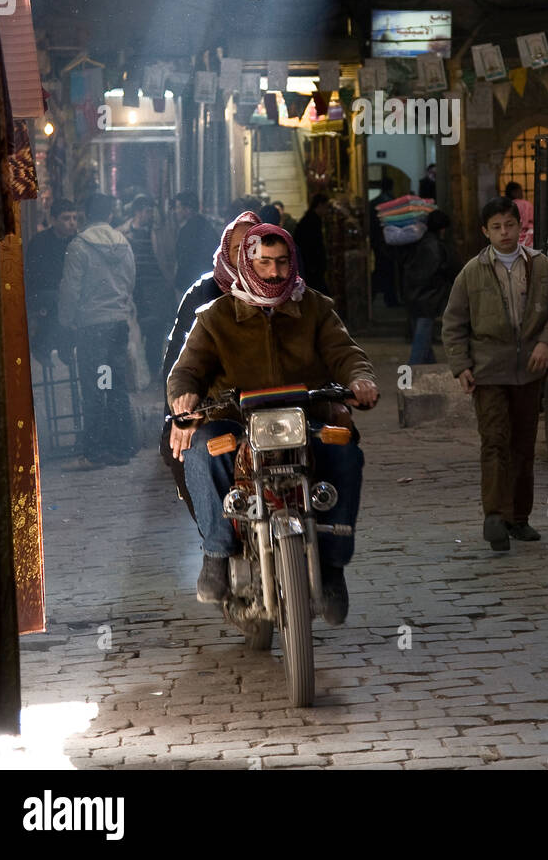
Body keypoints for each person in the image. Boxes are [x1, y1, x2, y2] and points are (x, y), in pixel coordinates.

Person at [166, 222, 379, 623]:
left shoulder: (315, 307)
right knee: (201, 453)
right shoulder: (215, 316)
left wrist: (360, 379)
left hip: (304, 418)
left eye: (282, 263)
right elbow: (186, 369)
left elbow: (345, 352)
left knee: (344, 451)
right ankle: (216, 552)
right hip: (234, 422)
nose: (275, 273)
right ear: (247, 262)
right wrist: (185, 397)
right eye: (264, 263)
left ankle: (332, 568)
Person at [442, 196, 548, 552]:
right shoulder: (472, 272)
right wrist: (462, 366)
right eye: (496, 227)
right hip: (489, 371)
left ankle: (519, 517)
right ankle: (495, 517)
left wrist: (546, 343)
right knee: (495, 441)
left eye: (510, 225)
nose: (504, 233)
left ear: (520, 227)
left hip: (530, 372)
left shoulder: (541, 267)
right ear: (485, 232)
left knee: (523, 446)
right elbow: (453, 323)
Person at [159, 209, 261, 520]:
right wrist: (187, 407)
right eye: (236, 250)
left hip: (277, 405)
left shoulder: (288, 290)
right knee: (182, 445)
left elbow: (331, 348)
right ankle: (214, 540)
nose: (245, 258)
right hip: (217, 407)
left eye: (253, 249)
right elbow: (179, 365)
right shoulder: (204, 295)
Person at [58, 193, 137, 468]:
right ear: (110, 215)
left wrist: (66, 321)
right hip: (117, 325)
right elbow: (130, 282)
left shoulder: (78, 246)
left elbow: (70, 289)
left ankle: (96, 450)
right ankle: (122, 447)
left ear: (84, 214)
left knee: (95, 387)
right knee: (115, 384)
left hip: (92, 328)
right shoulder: (124, 244)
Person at [25, 198, 78, 363]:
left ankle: (63, 345)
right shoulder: (39, 241)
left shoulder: (77, 242)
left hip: (66, 293)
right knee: (58, 302)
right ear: (53, 220)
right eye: (66, 218)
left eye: (74, 218)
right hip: (43, 293)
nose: (71, 223)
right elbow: (35, 276)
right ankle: (54, 346)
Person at [122, 194, 169, 376]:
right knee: (136, 330)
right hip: (135, 289)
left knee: (155, 331)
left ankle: (153, 368)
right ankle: (138, 373)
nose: (151, 215)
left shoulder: (158, 231)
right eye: (148, 211)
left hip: (155, 287)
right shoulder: (124, 232)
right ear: (138, 212)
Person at [402, 209, 453, 364]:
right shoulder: (434, 246)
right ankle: (410, 379)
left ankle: (431, 369)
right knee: (421, 343)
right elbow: (431, 273)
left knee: (423, 339)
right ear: (442, 228)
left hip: (415, 296)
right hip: (427, 298)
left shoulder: (422, 242)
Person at [173, 190, 221, 297]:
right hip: (205, 282)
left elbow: (183, 258)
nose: (176, 211)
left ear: (187, 209)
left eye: (178, 207)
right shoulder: (207, 227)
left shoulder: (187, 231)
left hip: (189, 283)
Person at [369, 177, 398, 308]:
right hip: (389, 242)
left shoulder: (373, 202)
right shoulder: (392, 202)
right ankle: (390, 298)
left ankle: (373, 295)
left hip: (378, 241)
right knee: (389, 271)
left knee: (380, 269)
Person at [293, 192, 330, 293]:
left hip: (311, 266)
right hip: (311, 267)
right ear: (320, 205)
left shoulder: (311, 220)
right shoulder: (311, 222)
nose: (327, 211)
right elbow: (312, 246)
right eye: (326, 207)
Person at [505, 181, 535, 249]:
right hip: (528, 239)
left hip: (512, 237)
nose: (522, 193)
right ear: (514, 192)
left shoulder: (506, 206)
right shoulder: (526, 204)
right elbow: (533, 220)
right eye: (520, 191)